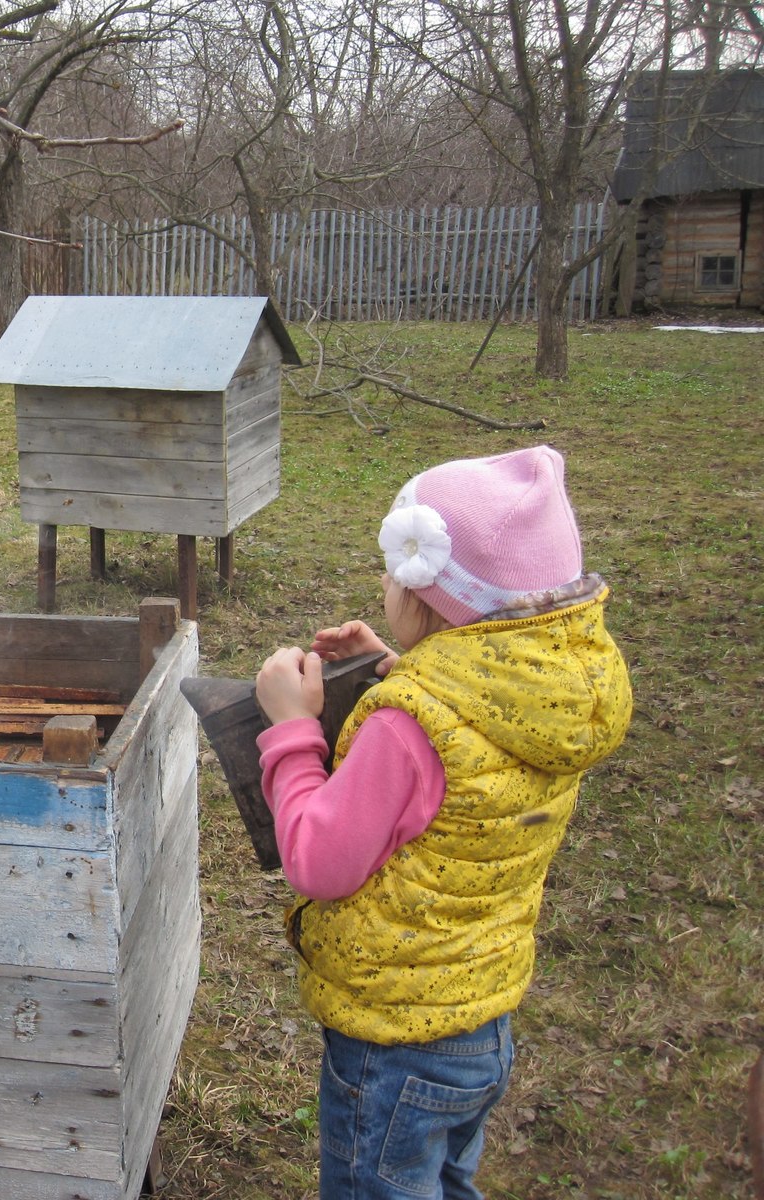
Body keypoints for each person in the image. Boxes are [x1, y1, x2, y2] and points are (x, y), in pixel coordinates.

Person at [252, 445, 632, 1199]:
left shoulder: (408, 729)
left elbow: (320, 861)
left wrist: (293, 729)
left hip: (394, 1041)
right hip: (480, 1022)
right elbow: (470, 740)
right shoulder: (555, 690)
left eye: (396, 569)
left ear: (432, 593)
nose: (385, 581)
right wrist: (399, 664)